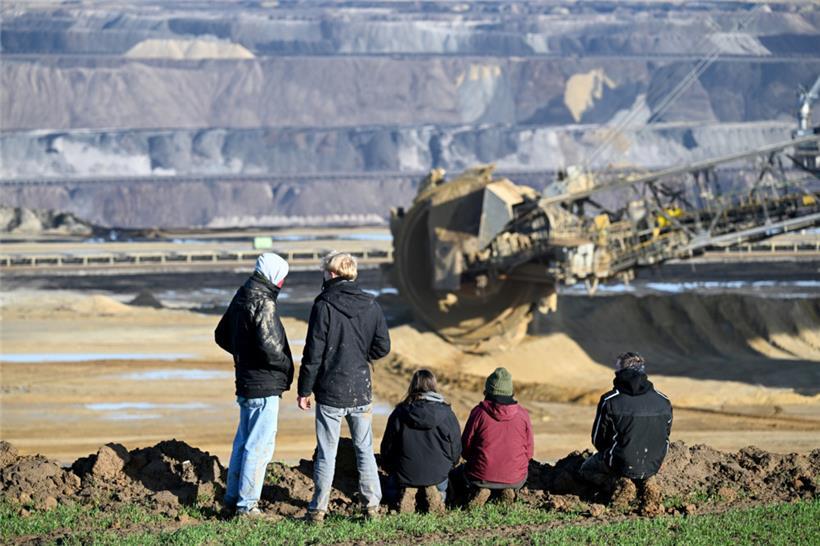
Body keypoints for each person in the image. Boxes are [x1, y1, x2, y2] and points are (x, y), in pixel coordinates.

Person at [296, 251, 391, 523]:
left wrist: (304, 390)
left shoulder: (323, 304)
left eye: (325, 271)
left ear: (333, 274)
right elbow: (383, 346)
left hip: (330, 391)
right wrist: (362, 357)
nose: (323, 275)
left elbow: (313, 354)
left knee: (327, 452)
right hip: (361, 388)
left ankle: (318, 510)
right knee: (364, 450)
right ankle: (372, 507)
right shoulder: (371, 304)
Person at [214, 252, 294, 518]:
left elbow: (221, 335)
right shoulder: (264, 302)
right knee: (258, 446)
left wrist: (243, 355)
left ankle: (232, 498)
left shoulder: (242, 295)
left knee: (243, 443)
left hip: (246, 382)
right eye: (282, 277)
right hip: (264, 385)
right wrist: (286, 367)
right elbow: (271, 349)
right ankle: (247, 506)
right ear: (273, 275)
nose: (282, 282)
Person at [579, 352, 673, 510]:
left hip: (621, 463)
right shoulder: (663, 400)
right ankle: (647, 481)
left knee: (585, 469)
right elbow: (665, 435)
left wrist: (611, 453)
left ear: (620, 372)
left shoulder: (610, 400)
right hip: (654, 462)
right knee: (641, 464)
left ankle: (619, 483)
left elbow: (598, 439)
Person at [380, 369, 461, 514]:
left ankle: (404, 493)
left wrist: (389, 466)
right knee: (443, 485)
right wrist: (451, 465)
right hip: (438, 472)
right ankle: (437, 494)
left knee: (391, 486)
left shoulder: (399, 413)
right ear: (433, 386)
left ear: (412, 386)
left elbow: (387, 446)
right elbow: (455, 447)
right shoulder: (447, 414)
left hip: (405, 471)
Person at [458, 367, 534, 508]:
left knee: (460, 474)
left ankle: (482, 489)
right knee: (511, 474)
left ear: (487, 390)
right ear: (511, 392)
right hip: (515, 477)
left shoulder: (478, 412)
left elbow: (465, 448)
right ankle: (507, 489)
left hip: (480, 475)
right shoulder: (523, 414)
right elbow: (529, 453)